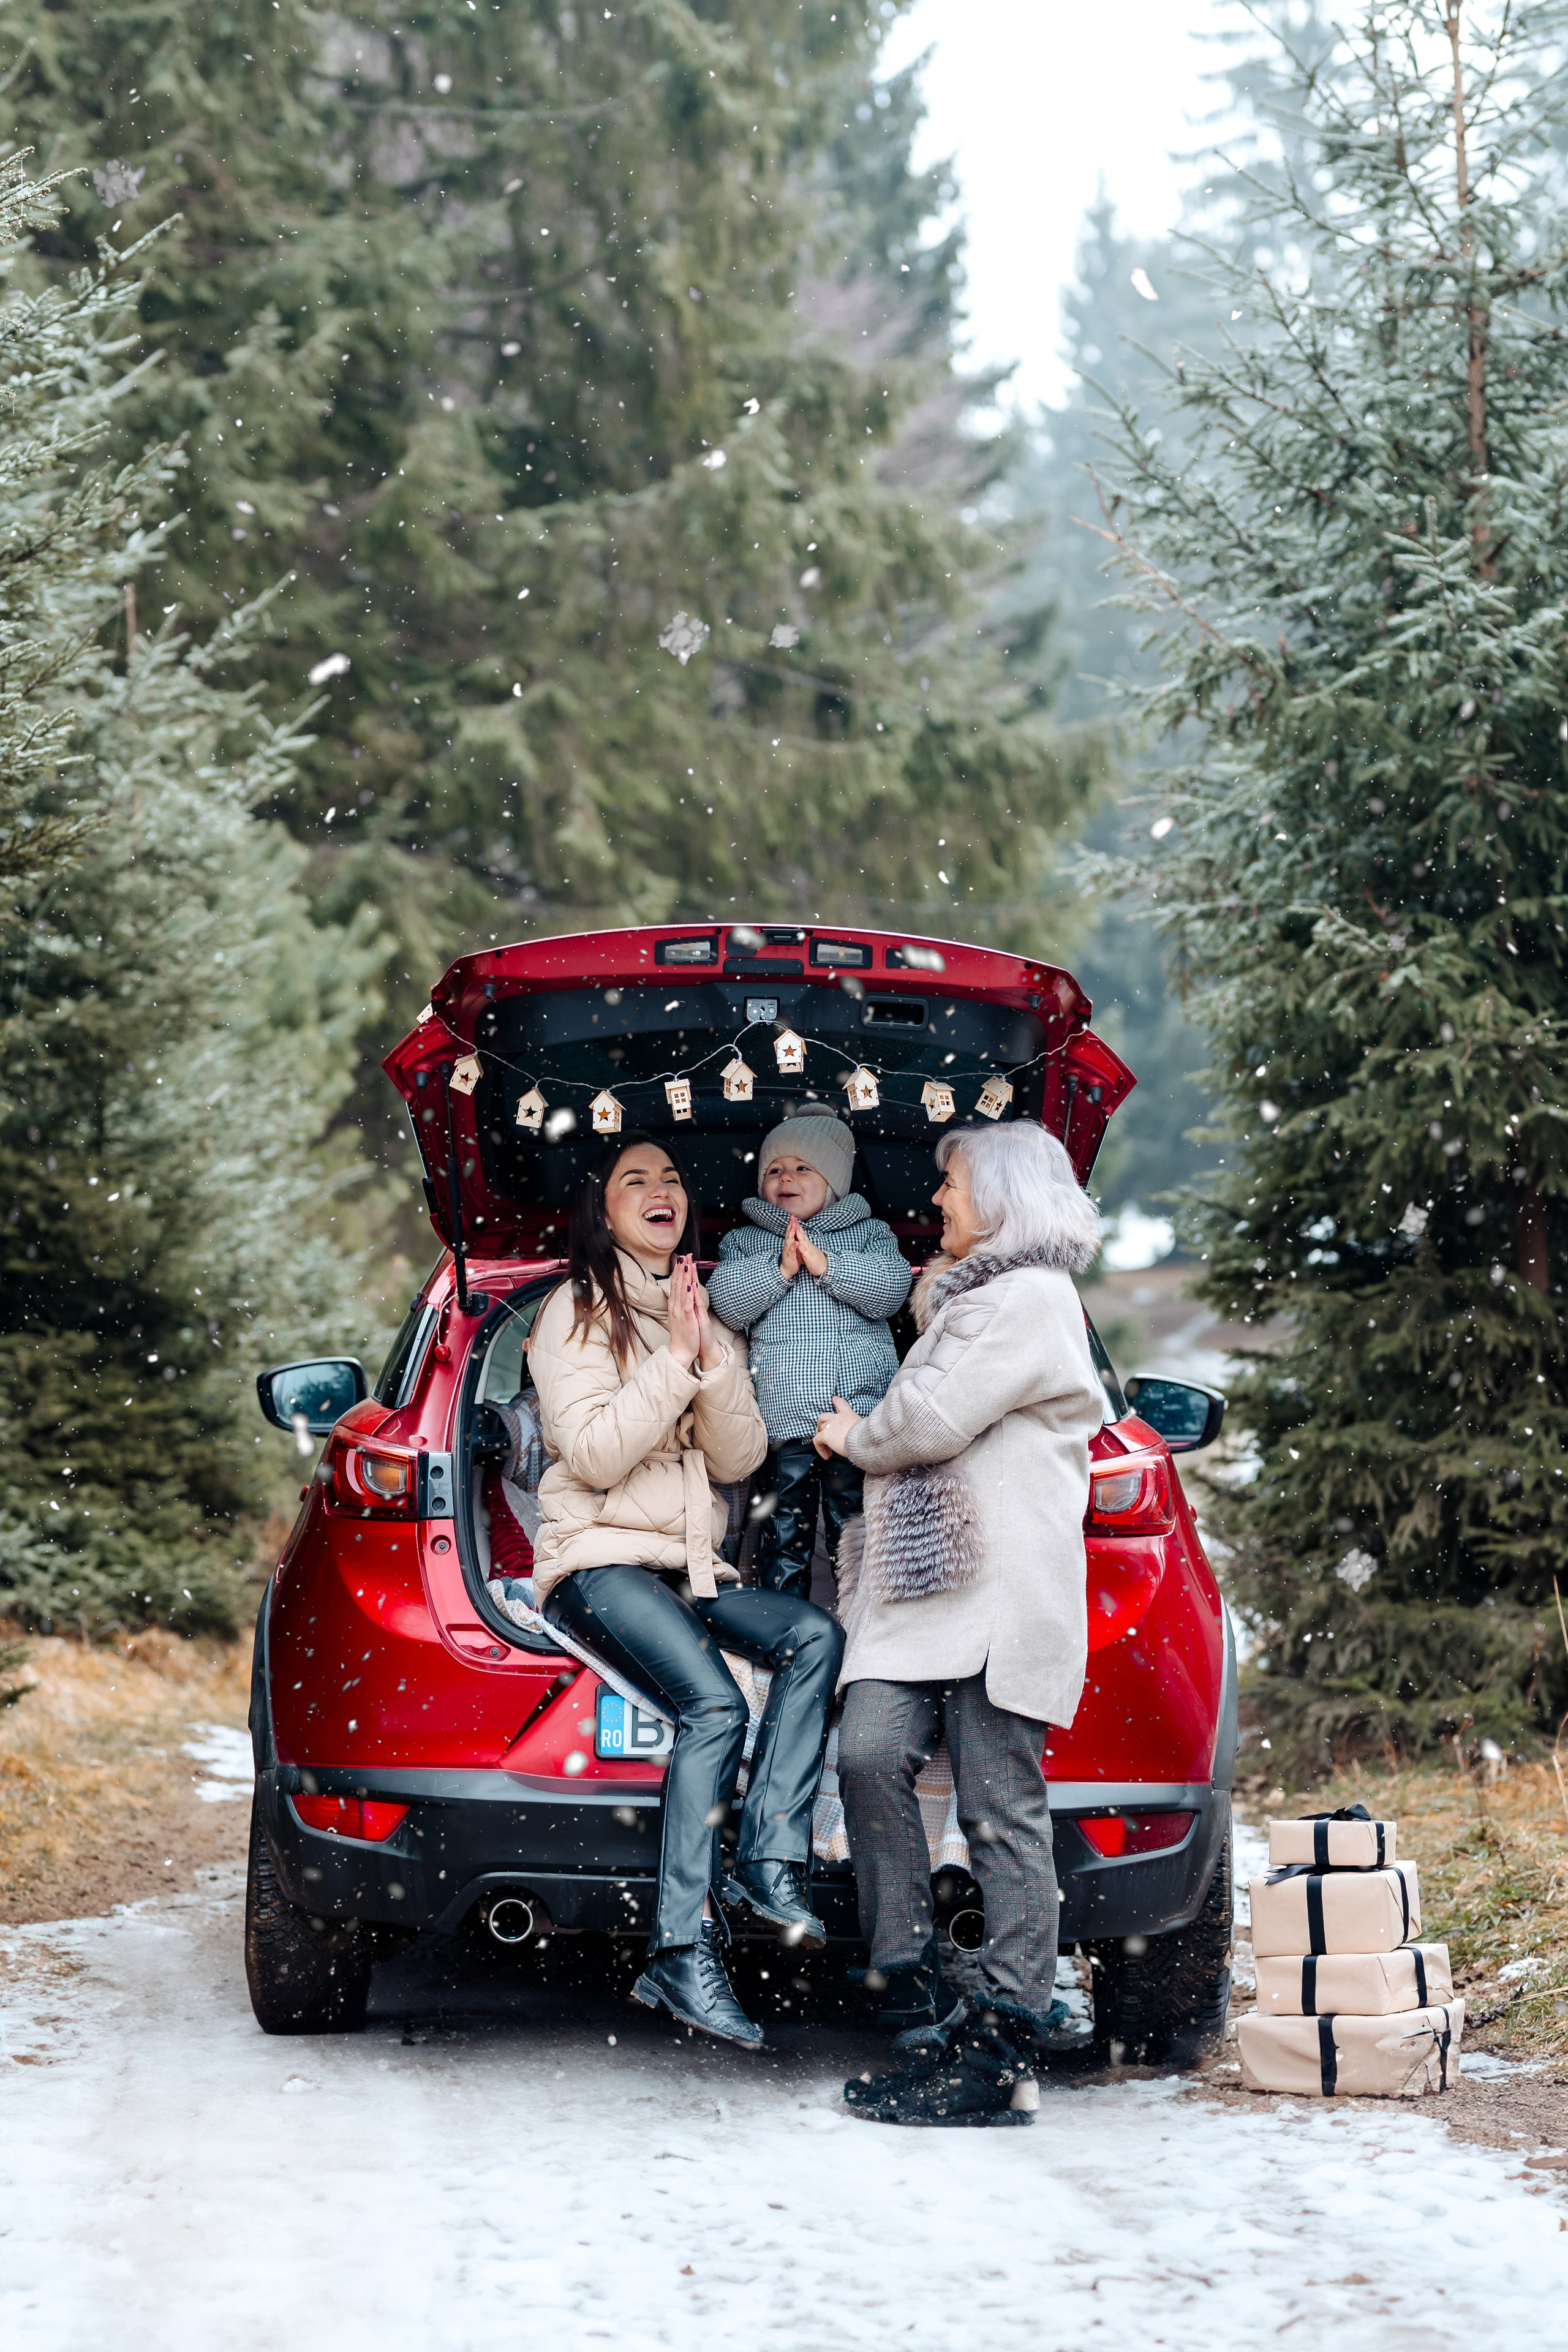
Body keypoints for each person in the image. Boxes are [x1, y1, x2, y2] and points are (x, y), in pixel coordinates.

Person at [812, 1121, 1106, 2126]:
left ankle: (1002, 2044)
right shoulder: (969, 1300)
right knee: (869, 1754)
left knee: (997, 1810)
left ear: (1008, 1197)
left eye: (954, 1185)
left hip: (998, 1591)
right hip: (925, 1590)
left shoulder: (1028, 1299)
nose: (938, 1201)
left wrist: (853, 1434)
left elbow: (926, 1421)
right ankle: (916, 1981)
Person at [529, 1132, 845, 2048]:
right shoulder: (573, 1311)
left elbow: (742, 1458)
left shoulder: (700, 1307)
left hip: (691, 1568)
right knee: (715, 1705)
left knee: (814, 1636)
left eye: (671, 1179)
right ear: (604, 1209)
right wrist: (672, 1359)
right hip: (597, 1561)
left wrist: (707, 1359)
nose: (660, 1190)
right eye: (637, 1180)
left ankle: (768, 1861)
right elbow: (589, 1455)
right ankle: (678, 1948)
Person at [706, 1112, 911, 1602]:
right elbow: (727, 1305)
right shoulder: (746, 1239)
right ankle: (791, 1628)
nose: (786, 1180)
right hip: (783, 1420)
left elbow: (891, 1289)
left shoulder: (868, 1234)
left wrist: (826, 1265)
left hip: (855, 1417)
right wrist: (780, 1269)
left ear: (834, 1182)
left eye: (803, 1169)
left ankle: (861, 1625)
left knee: (855, 1530)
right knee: (784, 1536)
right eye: (775, 1170)